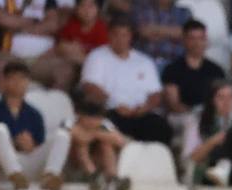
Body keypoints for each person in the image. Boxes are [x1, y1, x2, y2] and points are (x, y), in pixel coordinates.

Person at [80, 15, 171, 144]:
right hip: (110, 111)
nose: (120, 40)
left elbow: (156, 94)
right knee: (107, 124)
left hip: (140, 113)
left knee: (161, 128)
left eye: (125, 35)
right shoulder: (97, 56)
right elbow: (90, 86)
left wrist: (145, 108)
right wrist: (115, 104)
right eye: (116, 35)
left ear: (131, 36)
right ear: (109, 35)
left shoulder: (144, 61)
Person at [0, 60, 69, 190]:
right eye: (13, 79)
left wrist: (31, 146)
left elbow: (39, 142)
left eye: (22, 79)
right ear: (4, 81)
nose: (18, 83)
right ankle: (15, 175)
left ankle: (51, 175)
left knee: (62, 135)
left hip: (26, 162)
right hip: (1, 166)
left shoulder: (34, 114)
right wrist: (14, 142)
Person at [161, 18, 224, 116]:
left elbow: (221, 99)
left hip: (210, 116)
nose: (197, 43)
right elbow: (174, 104)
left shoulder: (216, 70)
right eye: (192, 38)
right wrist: (195, 114)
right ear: (184, 40)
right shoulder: (172, 69)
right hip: (182, 117)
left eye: (201, 38)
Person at [66, 99, 129, 190]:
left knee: (106, 144)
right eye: (90, 117)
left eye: (96, 118)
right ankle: (92, 175)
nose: (92, 122)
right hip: (75, 166)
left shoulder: (104, 124)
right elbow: (72, 135)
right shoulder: (70, 122)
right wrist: (85, 135)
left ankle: (112, 177)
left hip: (98, 163)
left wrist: (95, 134)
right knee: (82, 144)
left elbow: (121, 141)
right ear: (81, 115)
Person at [133, 0, 187, 68]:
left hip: (175, 64)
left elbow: (185, 33)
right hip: (145, 63)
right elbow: (143, 31)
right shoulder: (143, 9)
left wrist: (155, 29)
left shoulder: (184, 12)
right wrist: (171, 32)